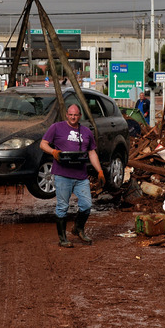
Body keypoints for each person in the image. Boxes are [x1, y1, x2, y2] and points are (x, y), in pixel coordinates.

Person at [39, 104, 106, 247]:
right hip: (62, 174)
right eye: (70, 115)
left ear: (80, 116)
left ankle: (78, 228)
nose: (73, 117)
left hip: (81, 176)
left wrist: (99, 171)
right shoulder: (56, 127)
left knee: (87, 205)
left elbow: (91, 152)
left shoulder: (86, 132)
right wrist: (53, 152)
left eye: (75, 115)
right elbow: (43, 144)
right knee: (63, 206)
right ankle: (63, 238)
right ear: (66, 115)